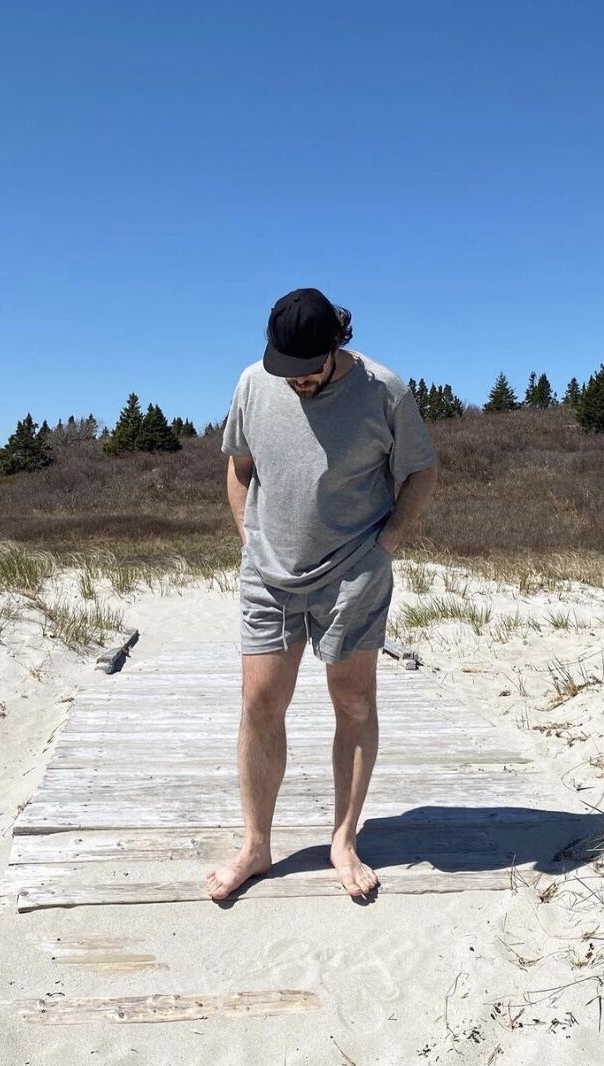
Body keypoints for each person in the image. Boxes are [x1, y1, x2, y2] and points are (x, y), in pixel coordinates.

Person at [206, 287, 438, 900]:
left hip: (353, 570)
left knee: (353, 702)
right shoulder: (255, 382)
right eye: (287, 369)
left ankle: (343, 838)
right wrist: (247, 536)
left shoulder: (384, 389)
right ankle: (256, 846)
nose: (297, 381)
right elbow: (238, 463)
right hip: (268, 573)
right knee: (260, 702)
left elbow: (421, 469)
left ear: (337, 343)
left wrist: (385, 546)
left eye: (308, 370)